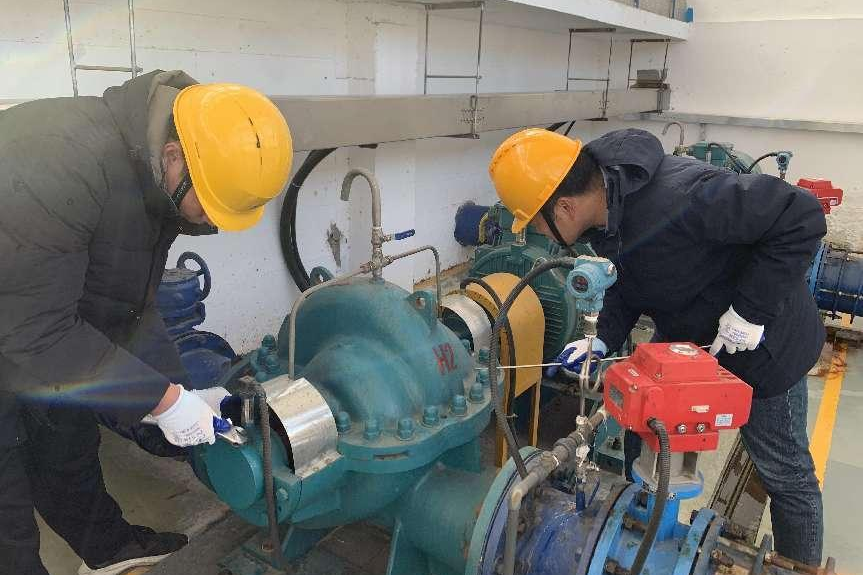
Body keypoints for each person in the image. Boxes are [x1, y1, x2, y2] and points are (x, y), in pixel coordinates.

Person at [488, 128, 827, 566]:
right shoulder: (607, 214)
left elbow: (800, 215)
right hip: (690, 335)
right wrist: (603, 336)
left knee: (783, 472)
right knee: (642, 426)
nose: (543, 235)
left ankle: (799, 565)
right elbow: (630, 278)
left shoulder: (686, 198)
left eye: (536, 222)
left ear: (565, 206)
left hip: (765, 345)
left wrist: (750, 312)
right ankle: (640, 541)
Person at [0, 70, 293, 575]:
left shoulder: (155, 178)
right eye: (209, 205)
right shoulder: (58, 161)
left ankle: (108, 550)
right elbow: (37, 332)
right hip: (23, 320)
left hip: (33, 315)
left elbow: (125, 308)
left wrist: (179, 396)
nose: (212, 221)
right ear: (174, 155)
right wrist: (162, 400)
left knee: (66, 438)